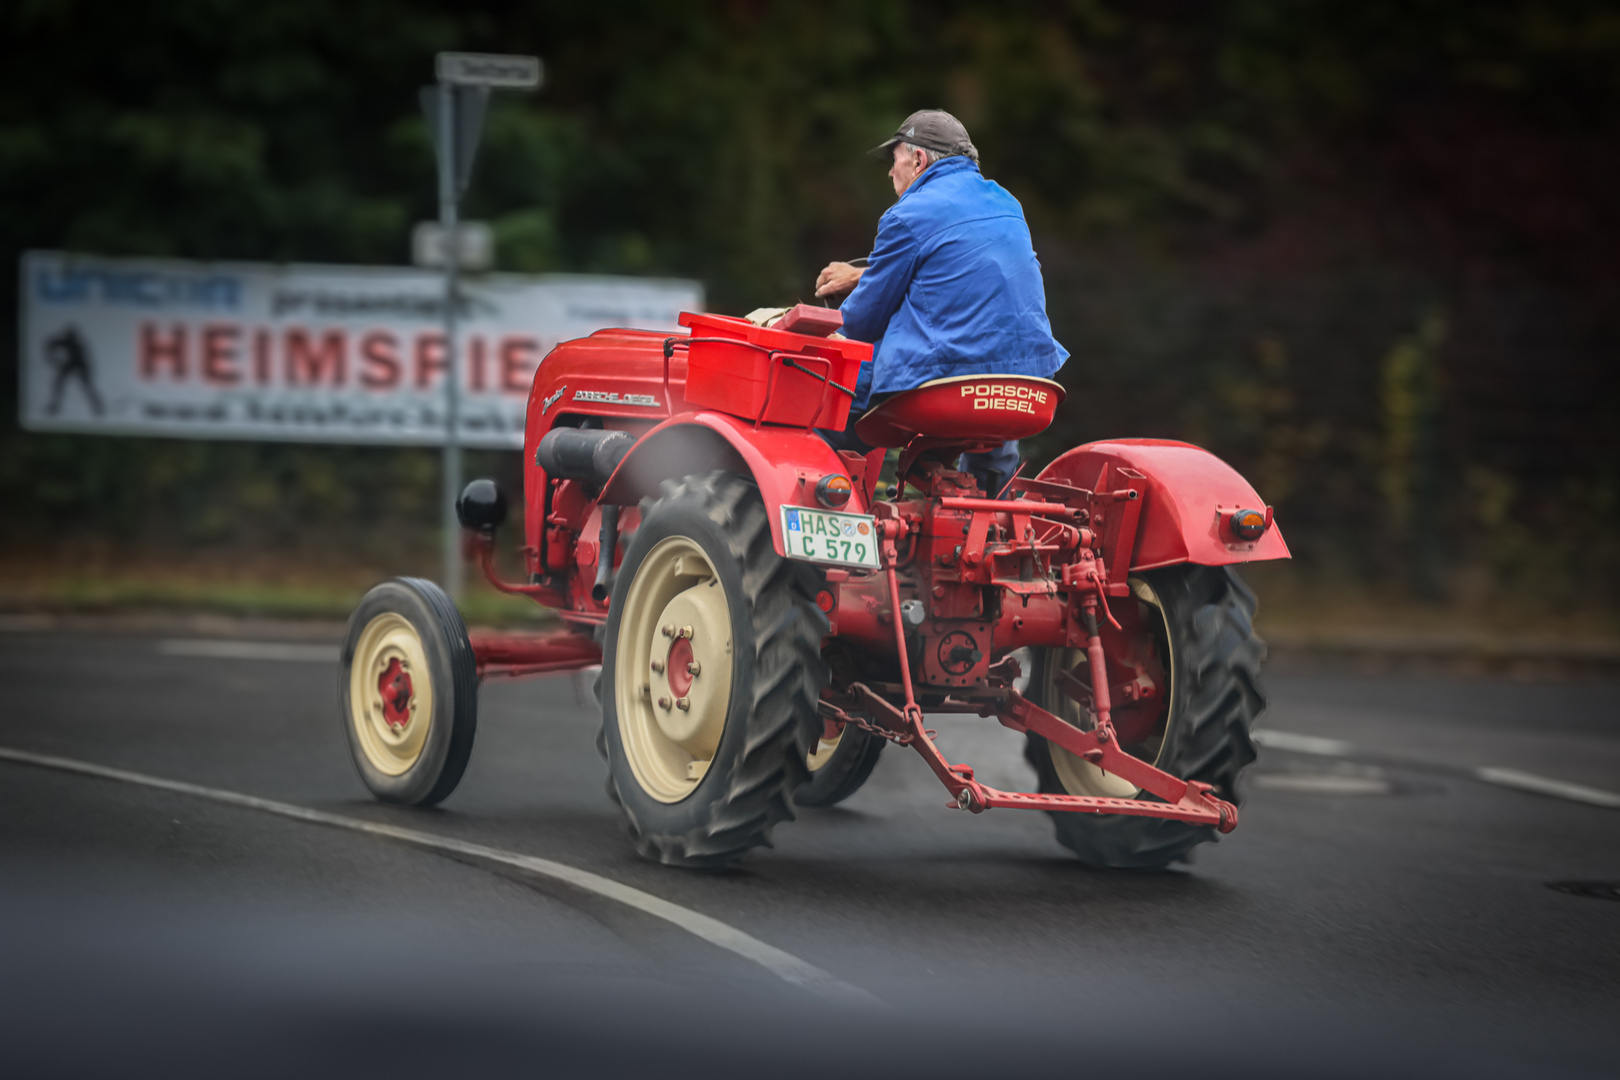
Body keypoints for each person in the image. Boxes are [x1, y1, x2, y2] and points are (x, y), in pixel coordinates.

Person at [815, 109, 1067, 497]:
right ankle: (989, 520)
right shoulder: (1007, 203)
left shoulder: (908, 214)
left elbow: (862, 322)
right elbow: (955, 272)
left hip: (945, 386)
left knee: (833, 389)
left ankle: (830, 507)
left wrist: (823, 329)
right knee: (991, 425)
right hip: (1030, 386)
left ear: (918, 160)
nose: (890, 172)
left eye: (895, 159)